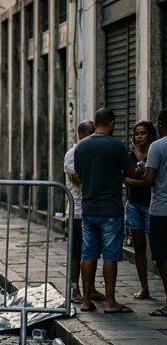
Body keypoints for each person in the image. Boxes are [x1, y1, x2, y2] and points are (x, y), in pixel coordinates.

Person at [74, 108, 137, 313]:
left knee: (88, 254)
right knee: (110, 255)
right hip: (111, 209)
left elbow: (79, 174)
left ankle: (85, 301)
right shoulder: (116, 145)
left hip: (89, 208)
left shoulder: (81, 146)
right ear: (111, 123)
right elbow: (130, 171)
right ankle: (110, 302)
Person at [63, 120, 104, 304]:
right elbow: (78, 179)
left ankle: (91, 288)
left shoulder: (94, 153)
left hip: (93, 210)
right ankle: (74, 289)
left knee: (92, 252)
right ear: (81, 134)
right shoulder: (73, 154)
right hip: (77, 211)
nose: (94, 136)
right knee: (76, 253)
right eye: (90, 132)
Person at [124, 121, 157, 300]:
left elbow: (146, 174)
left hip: (152, 204)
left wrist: (140, 170)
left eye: (142, 133)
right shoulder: (129, 156)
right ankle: (144, 288)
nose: (138, 136)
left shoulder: (155, 152)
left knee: (157, 249)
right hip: (134, 204)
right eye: (136, 133)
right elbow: (126, 180)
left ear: (150, 135)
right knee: (138, 247)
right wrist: (144, 180)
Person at [144, 109, 167, 316]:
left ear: (160, 123)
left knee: (161, 257)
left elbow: (149, 179)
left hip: (161, 210)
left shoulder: (157, 146)